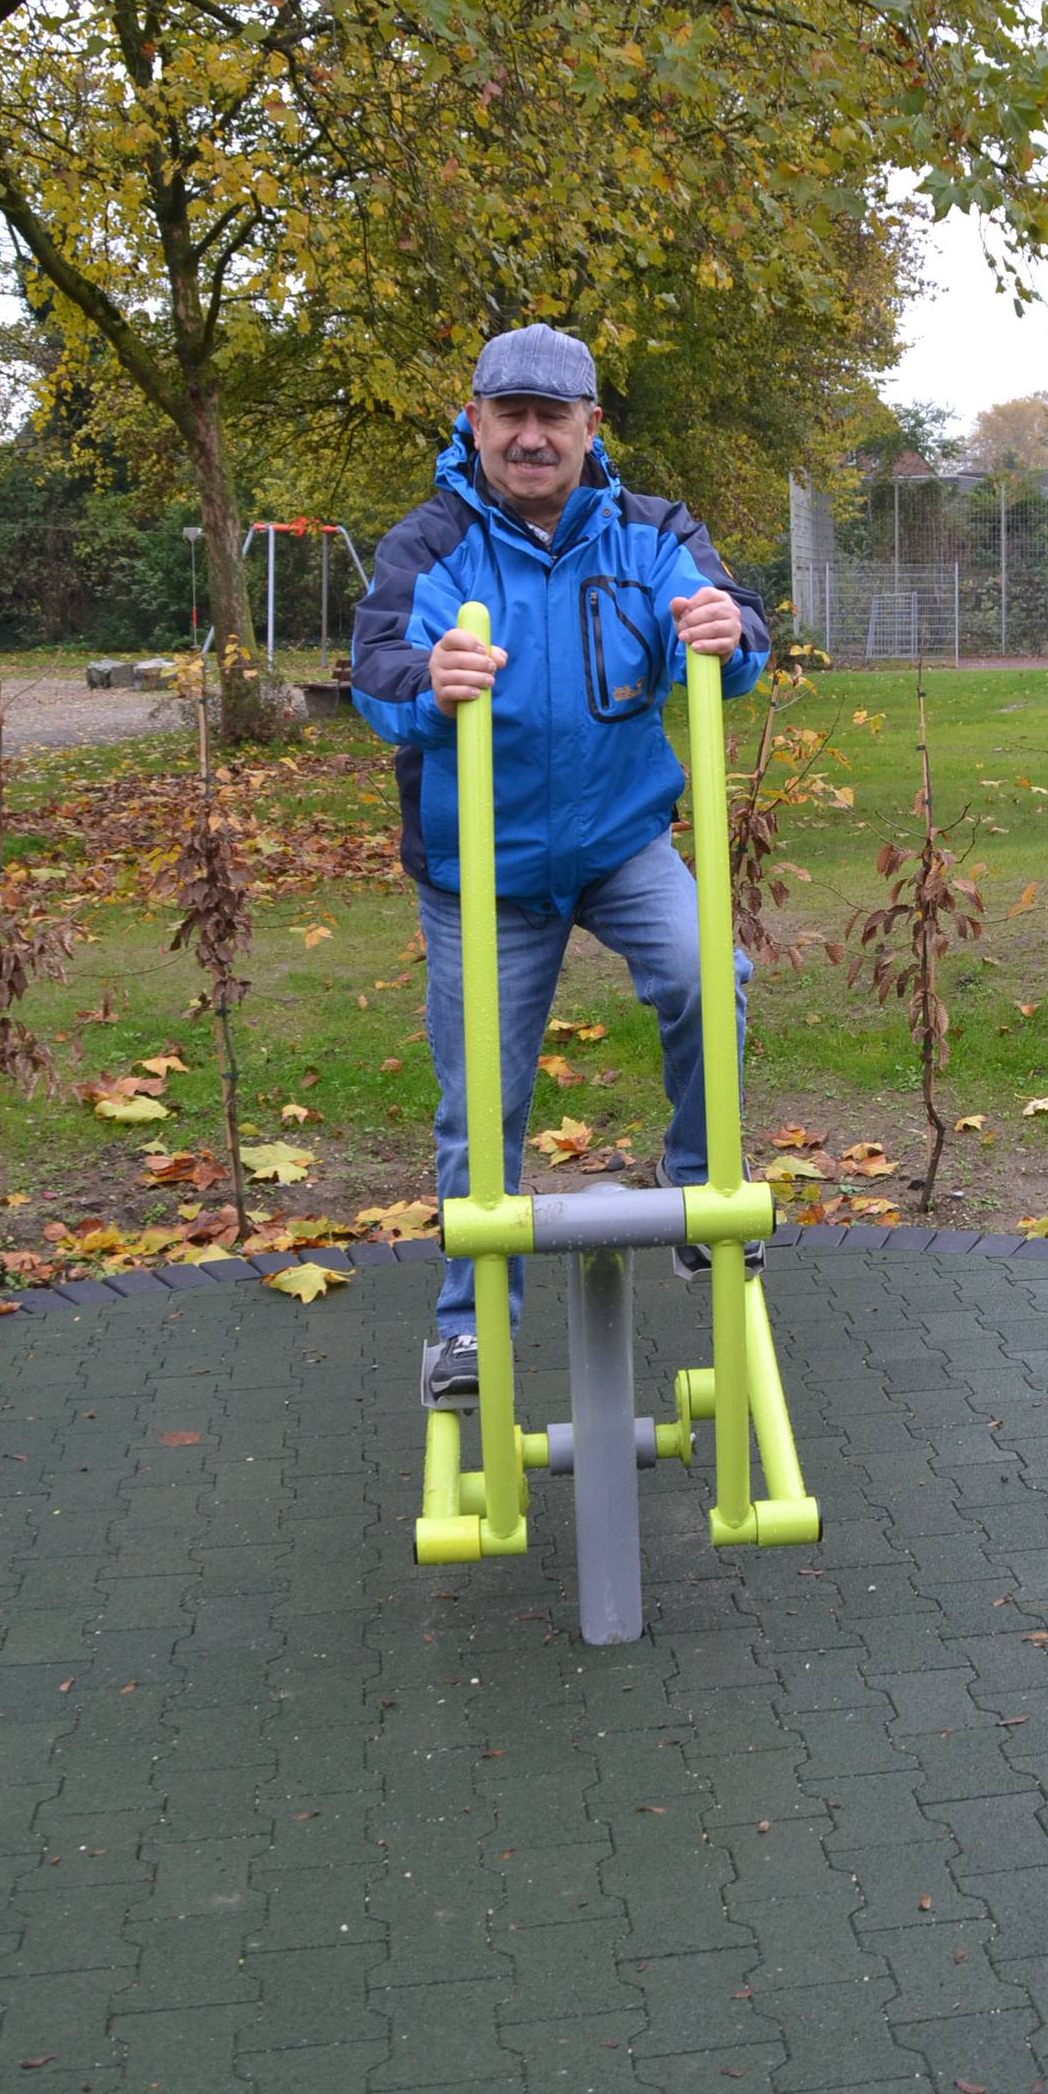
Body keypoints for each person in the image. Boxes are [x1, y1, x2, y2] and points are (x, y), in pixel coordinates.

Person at [351, 324, 769, 1400]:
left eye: (554, 417)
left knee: (702, 975)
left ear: (590, 428)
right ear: (476, 422)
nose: (532, 437)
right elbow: (376, 675)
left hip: (621, 844)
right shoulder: (431, 543)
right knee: (479, 1098)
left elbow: (730, 640)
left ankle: (697, 1191)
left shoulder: (649, 531)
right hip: (480, 868)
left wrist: (730, 633)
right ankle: (469, 1324)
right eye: (512, 415)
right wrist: (426, 680)